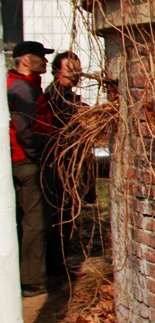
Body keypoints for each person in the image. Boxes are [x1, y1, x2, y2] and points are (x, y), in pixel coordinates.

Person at [8, 40, 53, 296]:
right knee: (35, 222)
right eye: (40, 57)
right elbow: (26, 130)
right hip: (26, 161)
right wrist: (39, 155)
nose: (45, 61)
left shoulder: (20, 85)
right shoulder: (23, 89)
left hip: (20, 159)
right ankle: (33, 280)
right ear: (25, 60)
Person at [42, 51, 90, 279]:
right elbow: (76, 115)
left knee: (67, 214)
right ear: (57, 71)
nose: (77, 74)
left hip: (69, 161)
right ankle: (56, 267)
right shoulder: (55, 95)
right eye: (71, 69)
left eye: (78, 69)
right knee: (61, 215)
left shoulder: (66, 94)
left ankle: (59, 265)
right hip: (61, 163)